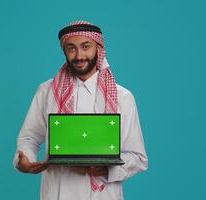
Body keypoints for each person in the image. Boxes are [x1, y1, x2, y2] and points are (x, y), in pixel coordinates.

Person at [12, 20, 148, 200]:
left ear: (98, 48)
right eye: (71, 48)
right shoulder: (46, 92)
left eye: (85, 47)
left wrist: (107, 169)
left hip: (104, 195)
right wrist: (25, 161)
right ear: (64, 51)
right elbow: (29, 138)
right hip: (57, 193)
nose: (79, 55)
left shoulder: (123, 97)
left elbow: (138, 158)